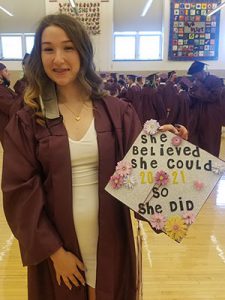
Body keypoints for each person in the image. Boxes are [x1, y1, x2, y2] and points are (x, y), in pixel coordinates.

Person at [1, 14, 187, 300]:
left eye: (68, 47)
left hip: (110, 240)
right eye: (48, 49)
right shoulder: (29, 120)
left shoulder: (117, 112)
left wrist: (165, 150)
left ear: (83, 52)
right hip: (58, 245)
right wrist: (53, 252)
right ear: (39, 56)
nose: (58, 59)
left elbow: (140, 174)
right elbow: (20, 191)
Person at [187, 60, 224, 156]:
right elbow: (192, 102)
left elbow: (213, 97)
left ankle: (210, 165)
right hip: (197, 119)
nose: (195, 78)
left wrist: (198, 88)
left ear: (201, 72)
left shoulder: (215, 81)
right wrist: (191, 93)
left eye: (196, 75)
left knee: (209, 143)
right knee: (195, 142)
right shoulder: (196, 82)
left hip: (210, 119)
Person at [0, 63, 22, 143]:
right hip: (9, 134)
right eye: (5, 71)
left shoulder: (4, 88)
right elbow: (13, 108)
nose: (9, 73)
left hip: (12, 132)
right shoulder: (1, 90)